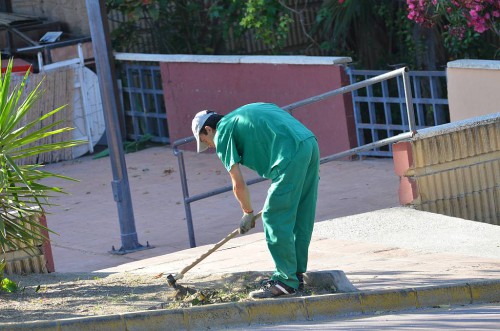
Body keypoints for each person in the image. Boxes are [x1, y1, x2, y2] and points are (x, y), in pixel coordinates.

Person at [191, 102, 320, 299]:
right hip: (309, 144)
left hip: (289, 156)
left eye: (206, 141)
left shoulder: (223, 132)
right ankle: (295, 274)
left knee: (273, 217)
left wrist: (247, 213)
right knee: (301, 214)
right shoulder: (244, 113)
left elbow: (238, 183)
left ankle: (286, 281)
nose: (210, 146)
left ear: (208, 129)